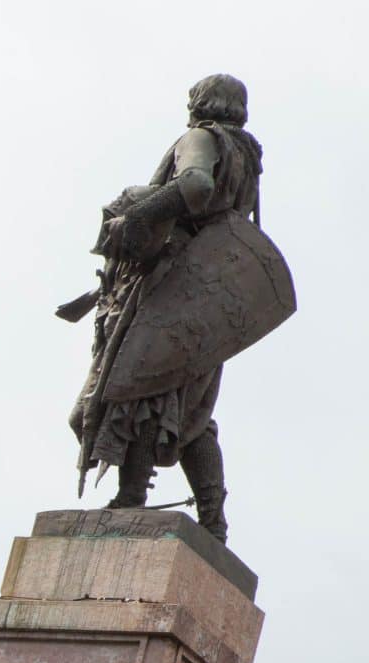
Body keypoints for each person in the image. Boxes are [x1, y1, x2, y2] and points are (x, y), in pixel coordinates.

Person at [67, 74, 290, 543]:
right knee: (185, 406)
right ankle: (213, 519)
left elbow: (195, 184)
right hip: (209, 296)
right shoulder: (246, 159)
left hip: (171, 282)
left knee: (137, 394)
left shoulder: (202, 138)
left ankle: (131, 498)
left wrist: (138, 212)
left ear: (200, 102)